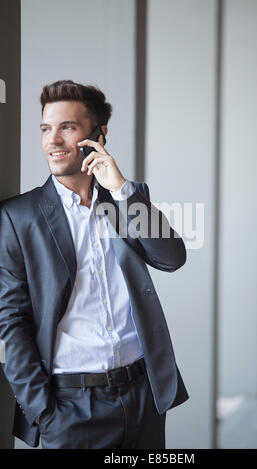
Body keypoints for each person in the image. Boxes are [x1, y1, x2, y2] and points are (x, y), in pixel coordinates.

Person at [0, 80, 189, 449]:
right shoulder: (17, 217)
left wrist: (120, 188)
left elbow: (172, 258)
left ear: (99, 135)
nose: (52, 140)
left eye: (67, 127)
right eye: (45, 129)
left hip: (142, 399)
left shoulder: (126, 200)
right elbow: (11, 321)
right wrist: (43, 412)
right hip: (70, 410)